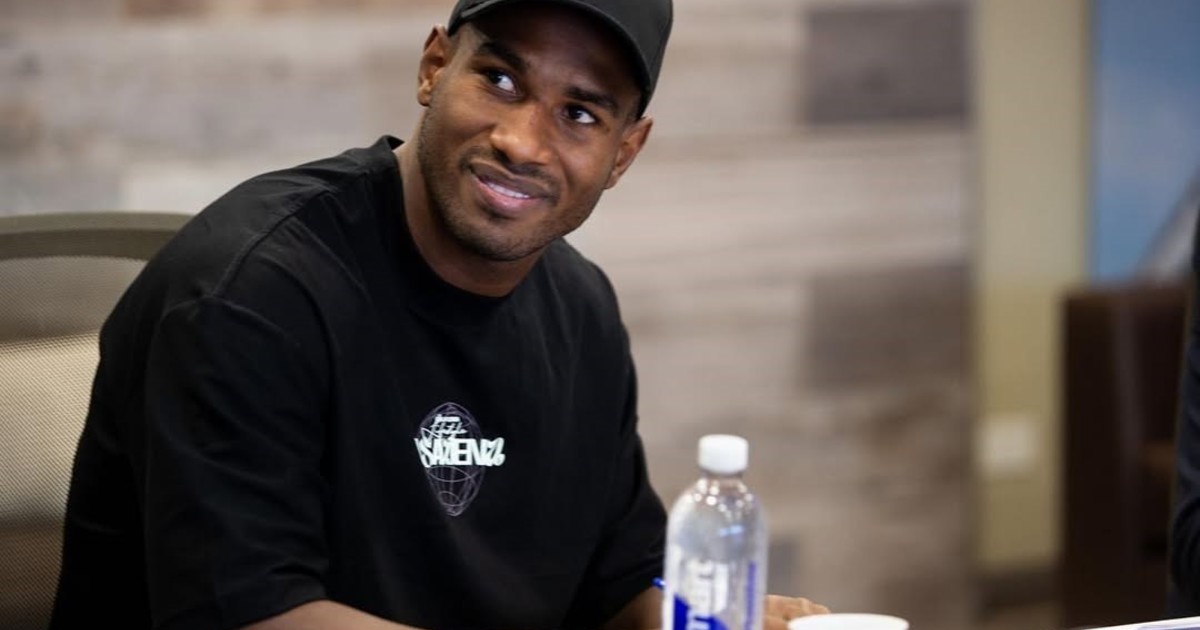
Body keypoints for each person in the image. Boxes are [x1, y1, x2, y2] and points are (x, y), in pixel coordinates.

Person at [50, 0, 829, 628]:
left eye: (581, 115)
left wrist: (716, 622)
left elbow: (617, 588)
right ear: (434, 67)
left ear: (625, 153)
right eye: (500, 79)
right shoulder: (252, 293)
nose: (523, 143)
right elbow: (252, 613)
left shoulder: (582, 311)